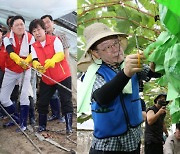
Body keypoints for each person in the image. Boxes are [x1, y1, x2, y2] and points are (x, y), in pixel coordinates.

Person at [78, 22, 160, 154]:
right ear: (96, 53)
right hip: (107, 147)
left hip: (133, 142)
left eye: (116, 43)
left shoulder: (129, 63)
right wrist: (126, 73)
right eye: (107, 47)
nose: (115, 49)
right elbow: (101, 97)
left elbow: (153, 73)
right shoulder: (92, 73)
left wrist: (154, 63)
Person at [29, 19, 73, 134]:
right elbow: (34, 59)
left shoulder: (54, 40)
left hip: (62, 76)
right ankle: (42, 126)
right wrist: (36, 64)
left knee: (66, 100)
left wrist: (52, 60)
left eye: (38, 29)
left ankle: (69, 127)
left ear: (44, 29)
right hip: (47, 78)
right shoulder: (34, 46)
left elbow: (60, 54)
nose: (37, 33)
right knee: (42, 101)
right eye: (34, 31)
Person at [0, 15, 35, 131]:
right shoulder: (7, 38)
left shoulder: (30, 37)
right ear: (11, 27)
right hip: (10, 71)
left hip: (26, 70)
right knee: (3, 98)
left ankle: (24, 124)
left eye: (22, 24)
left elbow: (33, 52)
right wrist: (19, 60)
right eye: (17, 25)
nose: (20, 27)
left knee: (24, 96)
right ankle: (17, 117)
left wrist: (27, 61)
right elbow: (10, 51)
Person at [41, 15, 76, 121]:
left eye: (48, 22)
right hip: (49, 66)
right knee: (51, 92)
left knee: (67, 92)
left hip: (62, 65)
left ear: (53, 23)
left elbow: (66, 51)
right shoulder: (43, 37)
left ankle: (68, 115)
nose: (46, 25)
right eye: (44, 24)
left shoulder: (60, 35)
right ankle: (56, 113)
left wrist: (64, 66)